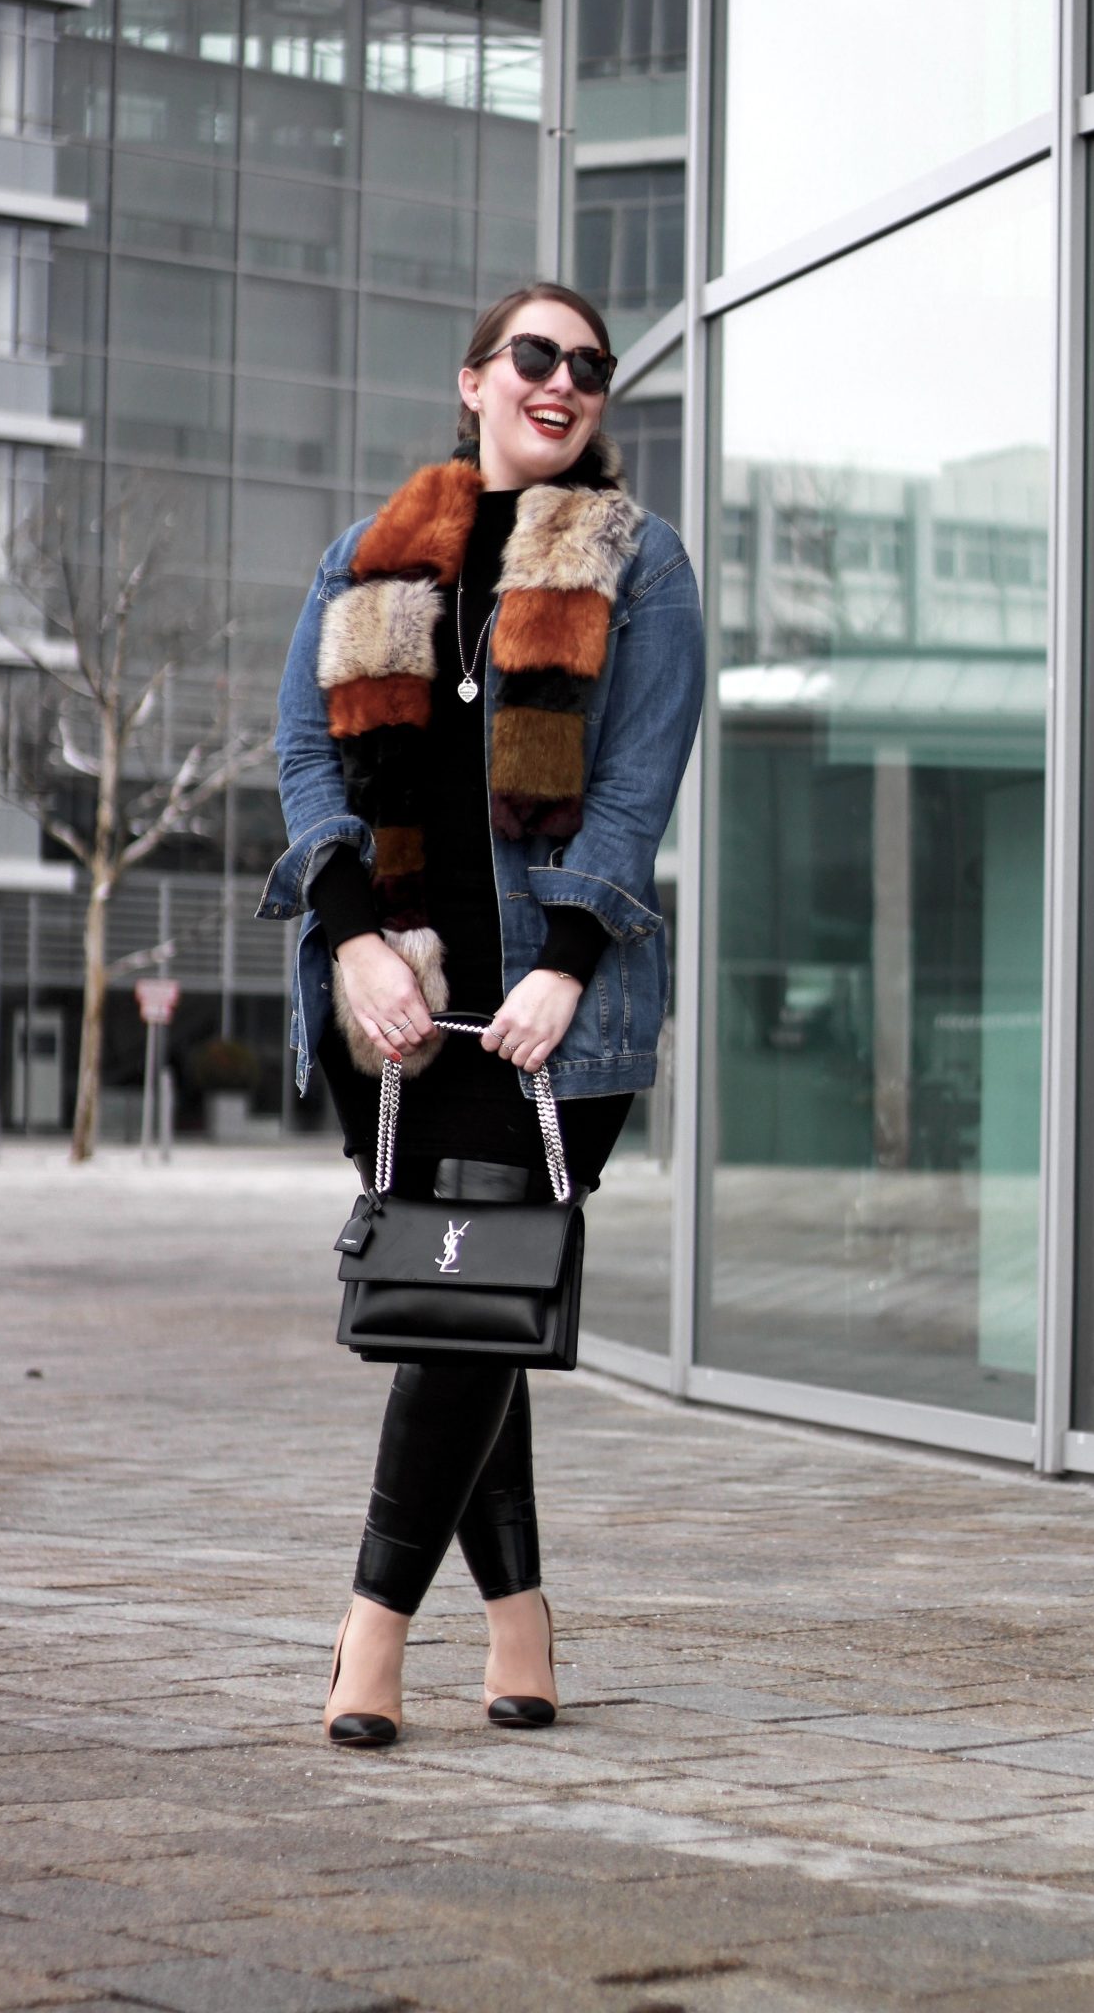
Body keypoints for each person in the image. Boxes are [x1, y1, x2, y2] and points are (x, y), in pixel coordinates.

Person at [258, 281, 704, 1746]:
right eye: (536, 355)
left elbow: (634, 788)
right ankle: (521, 1627)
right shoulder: (367, 558)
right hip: (395, 1001)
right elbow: (302, 757)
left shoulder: (644, 567)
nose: (563, 380)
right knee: (472, 1302)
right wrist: (352, 943)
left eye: (589, 365)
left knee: (462, 1312)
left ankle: (368, 1637)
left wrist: (565, 958)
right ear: (475, 382)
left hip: (546, 1009)